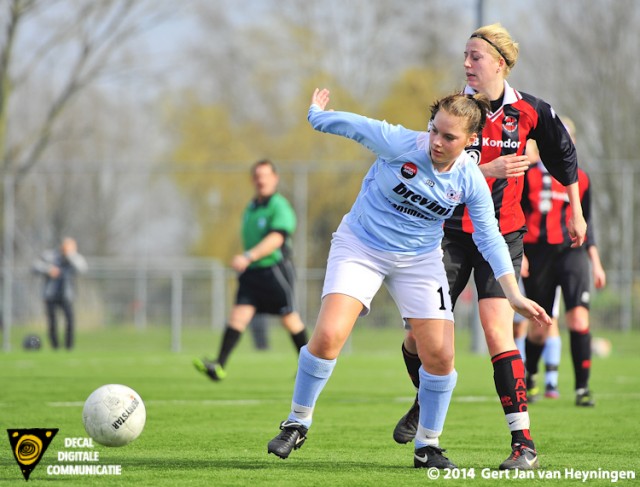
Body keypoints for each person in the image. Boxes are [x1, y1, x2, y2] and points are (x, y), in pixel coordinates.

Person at [266, 87, 551, 469]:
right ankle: (297, 422)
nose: (437, 141)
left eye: (449, 137)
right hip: (361, 246)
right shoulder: (401, 143)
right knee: (330, 336)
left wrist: (513, 293)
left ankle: (427, 446)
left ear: (470, 141)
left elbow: (489, 237)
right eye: (435, 130)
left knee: (440, 355)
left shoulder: (470, 179)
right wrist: (316, 113)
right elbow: (352, 126)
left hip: (419, 260)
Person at [392, 23, 587, 470]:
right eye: (465, 56)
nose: (466, 64)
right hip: (450, 235)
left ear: (499, 63)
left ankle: (524, 445)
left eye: (475, 57)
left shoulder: (531, 111)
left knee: (499, 333)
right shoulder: (455, 111)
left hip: (503, 238)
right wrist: (489, 170)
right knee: (419, 338)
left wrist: (576, 211)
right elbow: (433, 173)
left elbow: (565, 155)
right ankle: (426, 399)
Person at [194, 159, 308, 381]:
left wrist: (248, 256)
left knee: (289, 319)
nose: (261, 180)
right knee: (238, 316)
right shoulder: (251, 207)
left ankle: (310, 368)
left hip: (274, 271)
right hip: (252, 274)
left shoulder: (279, 206)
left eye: (265, 175)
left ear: (275, 178)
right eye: (257, 176)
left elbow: (277, 238)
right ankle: (218, 366)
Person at [520, 131, 606, 407]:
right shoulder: (528, 175)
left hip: (573, 254)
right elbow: (514, 217)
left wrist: (595, 261)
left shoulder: (582, 178)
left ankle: (582, 389)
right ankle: (531, 376)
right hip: (538, 254)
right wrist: (518, 254)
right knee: (539, 327)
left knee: (579, 319)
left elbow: (586, 223)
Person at [32, 237, 88, 350]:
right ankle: (55, 346)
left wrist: (70, 255)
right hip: (50, 294)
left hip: (67, 295)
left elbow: (83, 269)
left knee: (70, 320)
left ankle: (69, 346)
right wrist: (49, 269)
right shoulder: (50, 256)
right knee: (52, 321)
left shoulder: (74, 258)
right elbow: (35, 266)